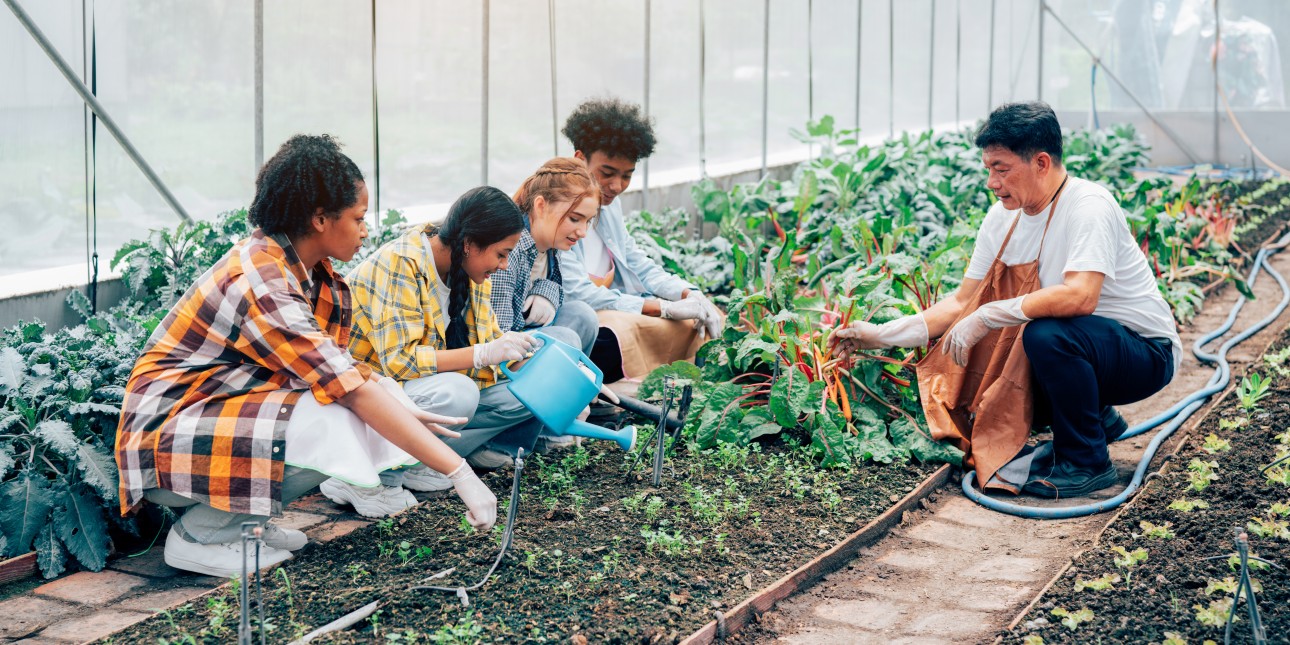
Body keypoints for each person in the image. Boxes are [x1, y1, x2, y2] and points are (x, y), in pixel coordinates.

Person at [115, 135, 496, 577]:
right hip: (165, 440)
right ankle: (202, 534)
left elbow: (344, 368)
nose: (366, 230)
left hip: (208, 417)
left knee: (345, 406)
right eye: (358, 218)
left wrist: (402, 406)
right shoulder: (263, 281)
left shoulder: (301, 269)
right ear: (319, 219)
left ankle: (244, 523)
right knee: (333, 416)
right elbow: (346, 389)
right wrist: (459, 472)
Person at [831, 101, 1181, 499]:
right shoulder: (1003, 217)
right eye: (988, 169)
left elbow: (1082, 296)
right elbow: (962, 301)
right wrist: (879, 335)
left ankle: (1087, 462)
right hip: (1093, 353)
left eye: (1002, 168)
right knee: (1017, 358)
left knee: (1045, 336)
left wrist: (991, 313)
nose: (992, 182)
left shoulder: (1088, 207)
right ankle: (1097, 421)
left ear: (1042, 163)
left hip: (1145, 356)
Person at [333, 186, 571, 516]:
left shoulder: (468, 267)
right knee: (457, 392)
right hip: (360, 395)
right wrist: (481, 354)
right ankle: (364, 478)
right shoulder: (403, 264)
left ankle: (416, 462)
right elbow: (401, 363)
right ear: (469, 244)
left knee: (529, 394)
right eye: (501, 254)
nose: (504, 266)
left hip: (411, 392)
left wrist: (567, 380)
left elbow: (493, 340)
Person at [557, 98, 723, 382]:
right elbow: (578, 294)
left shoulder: (609, 207)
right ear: (579, 159)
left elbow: (635, 260)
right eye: (607, 173)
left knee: (699, 317)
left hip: (615, 313)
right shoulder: (557, 210)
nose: (617, 186)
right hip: (574, 322)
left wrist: (685, 292)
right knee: (608, 343)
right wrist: (661, 308)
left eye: (627, 176)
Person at [488, 157, 601, 357]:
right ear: (541, 205)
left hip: (523, 335)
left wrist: (546, 291)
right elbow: (498, 338)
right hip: (499, 354)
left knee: (583, 315)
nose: (583, 231)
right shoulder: (509, 252)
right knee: (567, 339)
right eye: (574, 219)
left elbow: (557, 288)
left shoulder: (550, 243)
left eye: (588, 221)